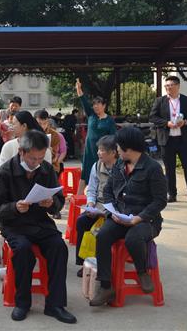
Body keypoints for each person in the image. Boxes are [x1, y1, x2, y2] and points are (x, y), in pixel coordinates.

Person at [0, 130, 76, 324]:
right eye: (32, 158)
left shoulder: (46, 169)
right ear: (21, 151)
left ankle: (55, 305)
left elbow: (59, 201)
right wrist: (15, 207)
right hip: (14, 225)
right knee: (23, 250)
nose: (36, 162)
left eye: (40, 158)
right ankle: (22, 302)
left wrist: (51, 203)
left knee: (59, 247)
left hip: (40, 222)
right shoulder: (5, 172)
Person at [89, 127, 168, 306]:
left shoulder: (153, 168)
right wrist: (112, 211)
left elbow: (160, 201)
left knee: (133, 238)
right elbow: (108, 191)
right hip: (120, 216)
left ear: (128, 148)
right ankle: (106, 286)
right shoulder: (119, 165)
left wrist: (139, 218)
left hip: (146, 220)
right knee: (102, 236)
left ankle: (142, 272)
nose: (116, 150)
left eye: (118, 146)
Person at [149, 75, 187, 204]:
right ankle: (171, 194)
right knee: (169, 169)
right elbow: (152, 117)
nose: (168, 88)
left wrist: (185, 122)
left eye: (170, 85)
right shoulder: (160, 101)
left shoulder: (186, 100)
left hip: (183, 140)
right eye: (166, 86)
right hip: (167, 140)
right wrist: (166, 123)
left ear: (177, 86)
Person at [75, 135, 118, 274]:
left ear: (113, 152)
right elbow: (92, 189)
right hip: (98, 205)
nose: (99, 153)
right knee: (82, 221)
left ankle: (102, 263)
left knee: (102, 232)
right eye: (98, 149)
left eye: (102, 150)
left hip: (114, 209)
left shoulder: (121, 167)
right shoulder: (96, 165)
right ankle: (84, 263)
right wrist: (90, 204)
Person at [75, 78, 117, 194]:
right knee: (85, 173)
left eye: (98, 104)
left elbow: (113, 137)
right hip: (89, 149)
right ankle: (78, 197)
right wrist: (79, 89)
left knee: (101, 172)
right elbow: (83, 100)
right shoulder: (91, 115)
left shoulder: (109, 120)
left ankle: (101, 194)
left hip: (102, 151)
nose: (95, 106)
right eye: (94, 104)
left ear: (104, 106)